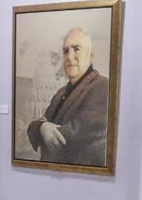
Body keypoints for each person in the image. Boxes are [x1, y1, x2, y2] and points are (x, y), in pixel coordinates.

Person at [26, 28, 109, 167]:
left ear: (91, 55)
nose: (69, 57)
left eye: (76, 49)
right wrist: (42, 127)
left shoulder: (103, 87)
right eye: (65, 51)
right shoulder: (60, 93)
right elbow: (37, 124)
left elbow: (71, 136)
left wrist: (40, 128)